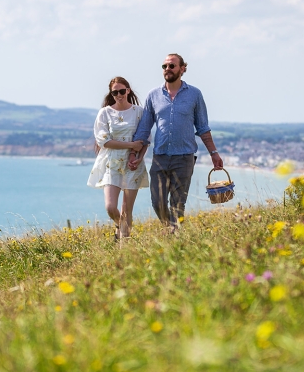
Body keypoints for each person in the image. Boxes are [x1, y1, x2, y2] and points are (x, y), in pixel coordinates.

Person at [129, 54, 223, 233]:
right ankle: (170, 229)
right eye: (164, 66)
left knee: (178, 204)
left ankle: (174, 237)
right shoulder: (153, 95)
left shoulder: (194, 94)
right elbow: (144, 129)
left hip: (184, 158)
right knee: (157, 202)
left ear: (182, 69)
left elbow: (202, 127)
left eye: (171, 66)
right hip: (160, 158)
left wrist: (214, 153)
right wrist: (134, 153)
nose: (167, 69)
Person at [87, 77, 148, 238]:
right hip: (111, 163)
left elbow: (145, 140)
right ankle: (119, 227)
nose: (119, 95)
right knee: (110, 207)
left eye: (122, 91)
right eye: (115, 92)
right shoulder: (105, 113)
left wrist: (139, 157)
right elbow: (104, 141)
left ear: (128, 90)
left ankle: (124, 250)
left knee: (127, 211)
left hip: (133, 164)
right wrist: (130, 146)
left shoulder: (139, 112)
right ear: (111, 94)